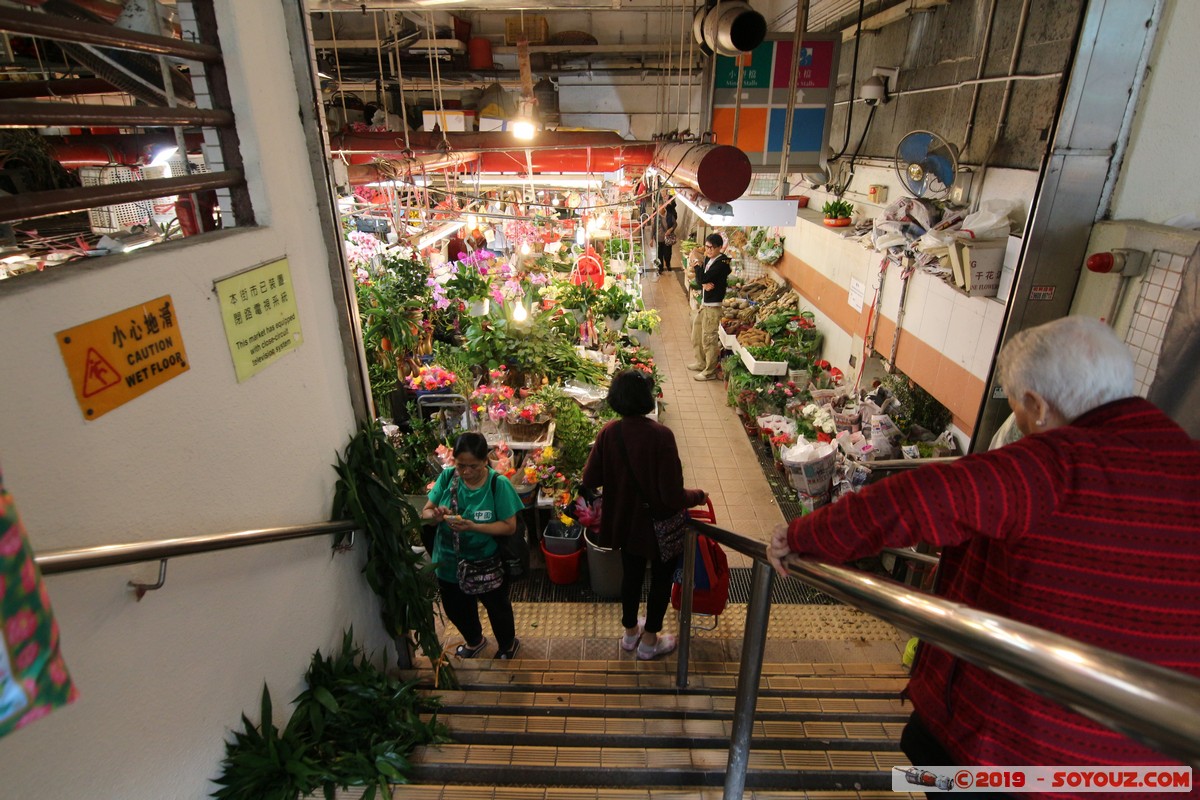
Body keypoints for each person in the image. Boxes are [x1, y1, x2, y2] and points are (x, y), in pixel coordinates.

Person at [766, 316, 1200, 769]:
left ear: (1038, 405)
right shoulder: (1186, 461)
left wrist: (801, 535)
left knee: (926, 758)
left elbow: (918, 500)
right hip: (1157, 768)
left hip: (1015, 751)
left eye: (1019, 410)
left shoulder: (1053, 467)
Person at [581, 369, 708, 660]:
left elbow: (590, 478)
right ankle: (650, 641)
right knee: (661, 580)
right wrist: (698, 496)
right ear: (646, 398)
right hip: (659, 524)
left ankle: (629, 634)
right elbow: (672, 496)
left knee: (631, 576)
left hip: (626, 523)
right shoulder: (661, 436)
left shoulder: (609, 432)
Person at [422, 432, 525, 660]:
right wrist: (436, 515)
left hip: (485, 561)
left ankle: (507, 645)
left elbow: (509, 526)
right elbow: (426, 511)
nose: (466, 472)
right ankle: (474, 640)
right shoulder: (448, 477)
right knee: (456, 607)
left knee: (497, 607)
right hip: (448, 560)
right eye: (461, 466)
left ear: (485, 461)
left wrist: (474, 527)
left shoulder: (498, 485)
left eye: (473, 466)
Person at [688, 233, 732, 381]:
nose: (708, 250)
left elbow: (702, 277)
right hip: (704, 305)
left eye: (712, 248)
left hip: (713, 307)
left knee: (709, 339)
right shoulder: (708, 258)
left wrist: (699, 270)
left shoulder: (721, 264)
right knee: (696, 335)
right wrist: (702, 282)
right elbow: (702, 279)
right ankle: (701, 362)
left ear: (720, 248)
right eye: (707, 247)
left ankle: (710, 371)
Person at [656, 200, 678, 274]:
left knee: (667, 253)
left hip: (668, 238)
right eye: (658, 208)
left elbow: (675, 224)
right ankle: (660, 268)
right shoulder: (656, 216)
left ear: (664, 207)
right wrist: (651, 239)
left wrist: (671, 229)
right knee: (659, 254)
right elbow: (653, 227)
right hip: (659, 238)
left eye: (660, 208)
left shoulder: (669, 215)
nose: (659, 209)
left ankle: (668, 264)